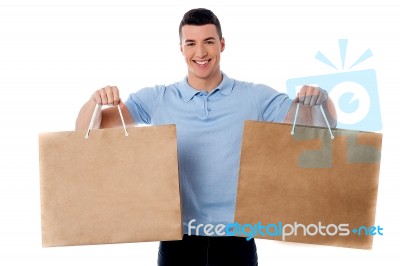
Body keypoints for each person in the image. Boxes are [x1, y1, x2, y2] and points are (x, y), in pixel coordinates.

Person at [75, 8, 337, 266]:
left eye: (208, 42)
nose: (200, 52)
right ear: (181, 49)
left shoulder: (254, 96)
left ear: (222, 44)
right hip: (178, 239)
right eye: (191, 43)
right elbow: (85, 132)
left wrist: (321, 100)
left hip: (237, 239)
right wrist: (94, 102)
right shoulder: (159, 98)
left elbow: (317, 127)